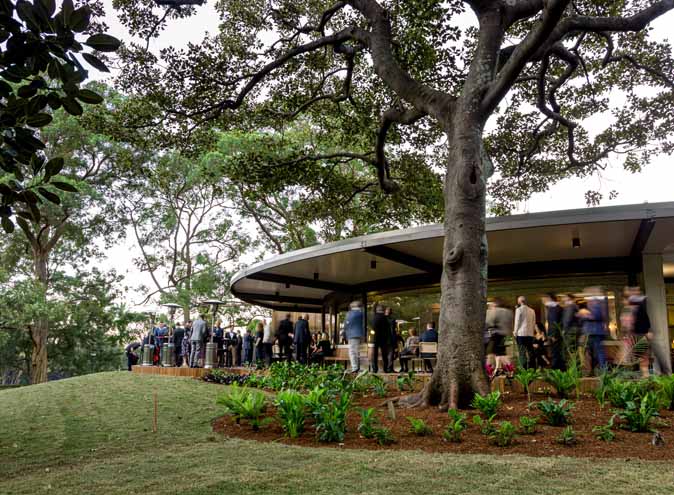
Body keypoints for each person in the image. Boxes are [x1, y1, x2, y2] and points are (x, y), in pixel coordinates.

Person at [578, 287, 608, 373]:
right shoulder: (593, 302)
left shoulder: (596, 302)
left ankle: (603, 371)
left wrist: (585, 314)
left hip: (595, 331)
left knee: (598, 352)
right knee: (593, 352)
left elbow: (597, 316)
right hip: (592, 332)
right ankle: (593, 370)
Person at [485, 298, 514, 374]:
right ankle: (510, 368)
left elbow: (489, 322)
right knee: (502, 353)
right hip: (508, 335)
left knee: (490, 353)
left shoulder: (495, 311)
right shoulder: (509, 312)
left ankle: (488, 370)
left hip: (497, 334)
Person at [543, 293, 565, 370]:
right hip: (556, 333)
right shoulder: (556, 308)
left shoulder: (554, 308)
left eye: (545, 299)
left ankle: (555, 369)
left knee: (555, 352)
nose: (543, 301)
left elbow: (554, 322)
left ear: (549, 299)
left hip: (555, 334)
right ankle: (561, 368)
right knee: (557, 351)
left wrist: (553, 335)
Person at [514, 296, 536, 369]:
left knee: (522, 352)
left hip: (521, 334)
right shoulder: (532, 310)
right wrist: (532, 333)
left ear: (520, 301)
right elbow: (533, 323)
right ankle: (533, 368)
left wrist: (515, 332)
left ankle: (524, 369)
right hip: (530, 334)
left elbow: (517, 322)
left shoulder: (519, 310)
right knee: (530, 351)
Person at [344, 300, 365, 373]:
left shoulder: (349, 314)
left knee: (352, 352)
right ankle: (358, 367)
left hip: (352, 335)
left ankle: (354, 367)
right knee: (357, 352)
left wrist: (345, 334)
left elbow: (346, 324)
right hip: (360, 334)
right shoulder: (361, 313)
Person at [372, 305, 391, 373]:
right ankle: (385, 369)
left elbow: (373, 327)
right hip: (384, 338)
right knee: (384, 354)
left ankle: (375, 369)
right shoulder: (385, 318)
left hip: (376, 337)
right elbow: (388, 329)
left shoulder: (375, 317)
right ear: (382, 310)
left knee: (375, 354)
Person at [562, 294, 580, 361]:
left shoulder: (570, 306)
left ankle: (572, 366)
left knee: (570, 348)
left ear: (569, 298)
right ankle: (576, 365)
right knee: (574, 348)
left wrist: (564, 329)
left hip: (570, 330)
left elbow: (567, 319)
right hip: (575, 329)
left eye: (565, 297)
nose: (563, 299)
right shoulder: (575, 306)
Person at [385, 307, 400, 373]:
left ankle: (386, 368)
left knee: (385, 354)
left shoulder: (382, 319)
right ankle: (390, 369)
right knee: (391, 354)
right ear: (391, 313)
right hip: (390, 338)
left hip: (384, 339)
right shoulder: (393, 320)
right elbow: (393, 330)